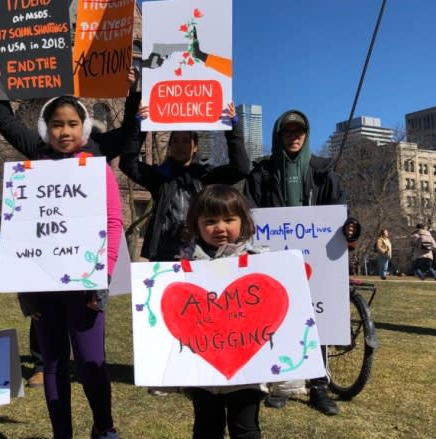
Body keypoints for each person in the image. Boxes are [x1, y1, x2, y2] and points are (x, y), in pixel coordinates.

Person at [0, 63, 123, 439]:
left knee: (93, 361)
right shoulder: (32, 168)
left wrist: (103, 275)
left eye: (73, 124)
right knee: (53, 364)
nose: (65, 131)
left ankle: (104, 426)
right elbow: (21, 229)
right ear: (47, 129)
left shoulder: (98, 168)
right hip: (42, 286)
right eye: (58, 124)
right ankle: (61, 432)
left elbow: (113, 225)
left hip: (85, 286)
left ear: (85, 128)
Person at [243, 109, 361, 416]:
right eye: (287, 132)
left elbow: (339, 213)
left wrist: (351, 227)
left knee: (316, 317)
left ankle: (319, 386)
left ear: (306, 135)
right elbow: (250, 210)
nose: (293, 137)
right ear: (278, 136)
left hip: (317, 261)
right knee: (279, 315)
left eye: (299, 132)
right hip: (275, 257)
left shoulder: (324, 172)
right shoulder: (262, 173)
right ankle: (283, 382)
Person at [179, 184, 267, 439]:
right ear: (197, 224)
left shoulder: (259, 262)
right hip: (204, 368)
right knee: (206, 426)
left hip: (247, 366)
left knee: (245, 427)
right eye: (211, 221)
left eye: (229, 219)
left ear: (244, 222)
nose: (220, 227)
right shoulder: (183, 266)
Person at [119, 103, 249, 262]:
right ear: (170, 146)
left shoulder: (206, 175)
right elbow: (127, 163)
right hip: (164, 252)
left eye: (186, 141)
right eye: (175, 141)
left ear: (195, 147)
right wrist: (139, 127)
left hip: (201, 251)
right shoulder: (160, 177)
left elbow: (240, 168)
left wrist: (233, 129)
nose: (180, 146)